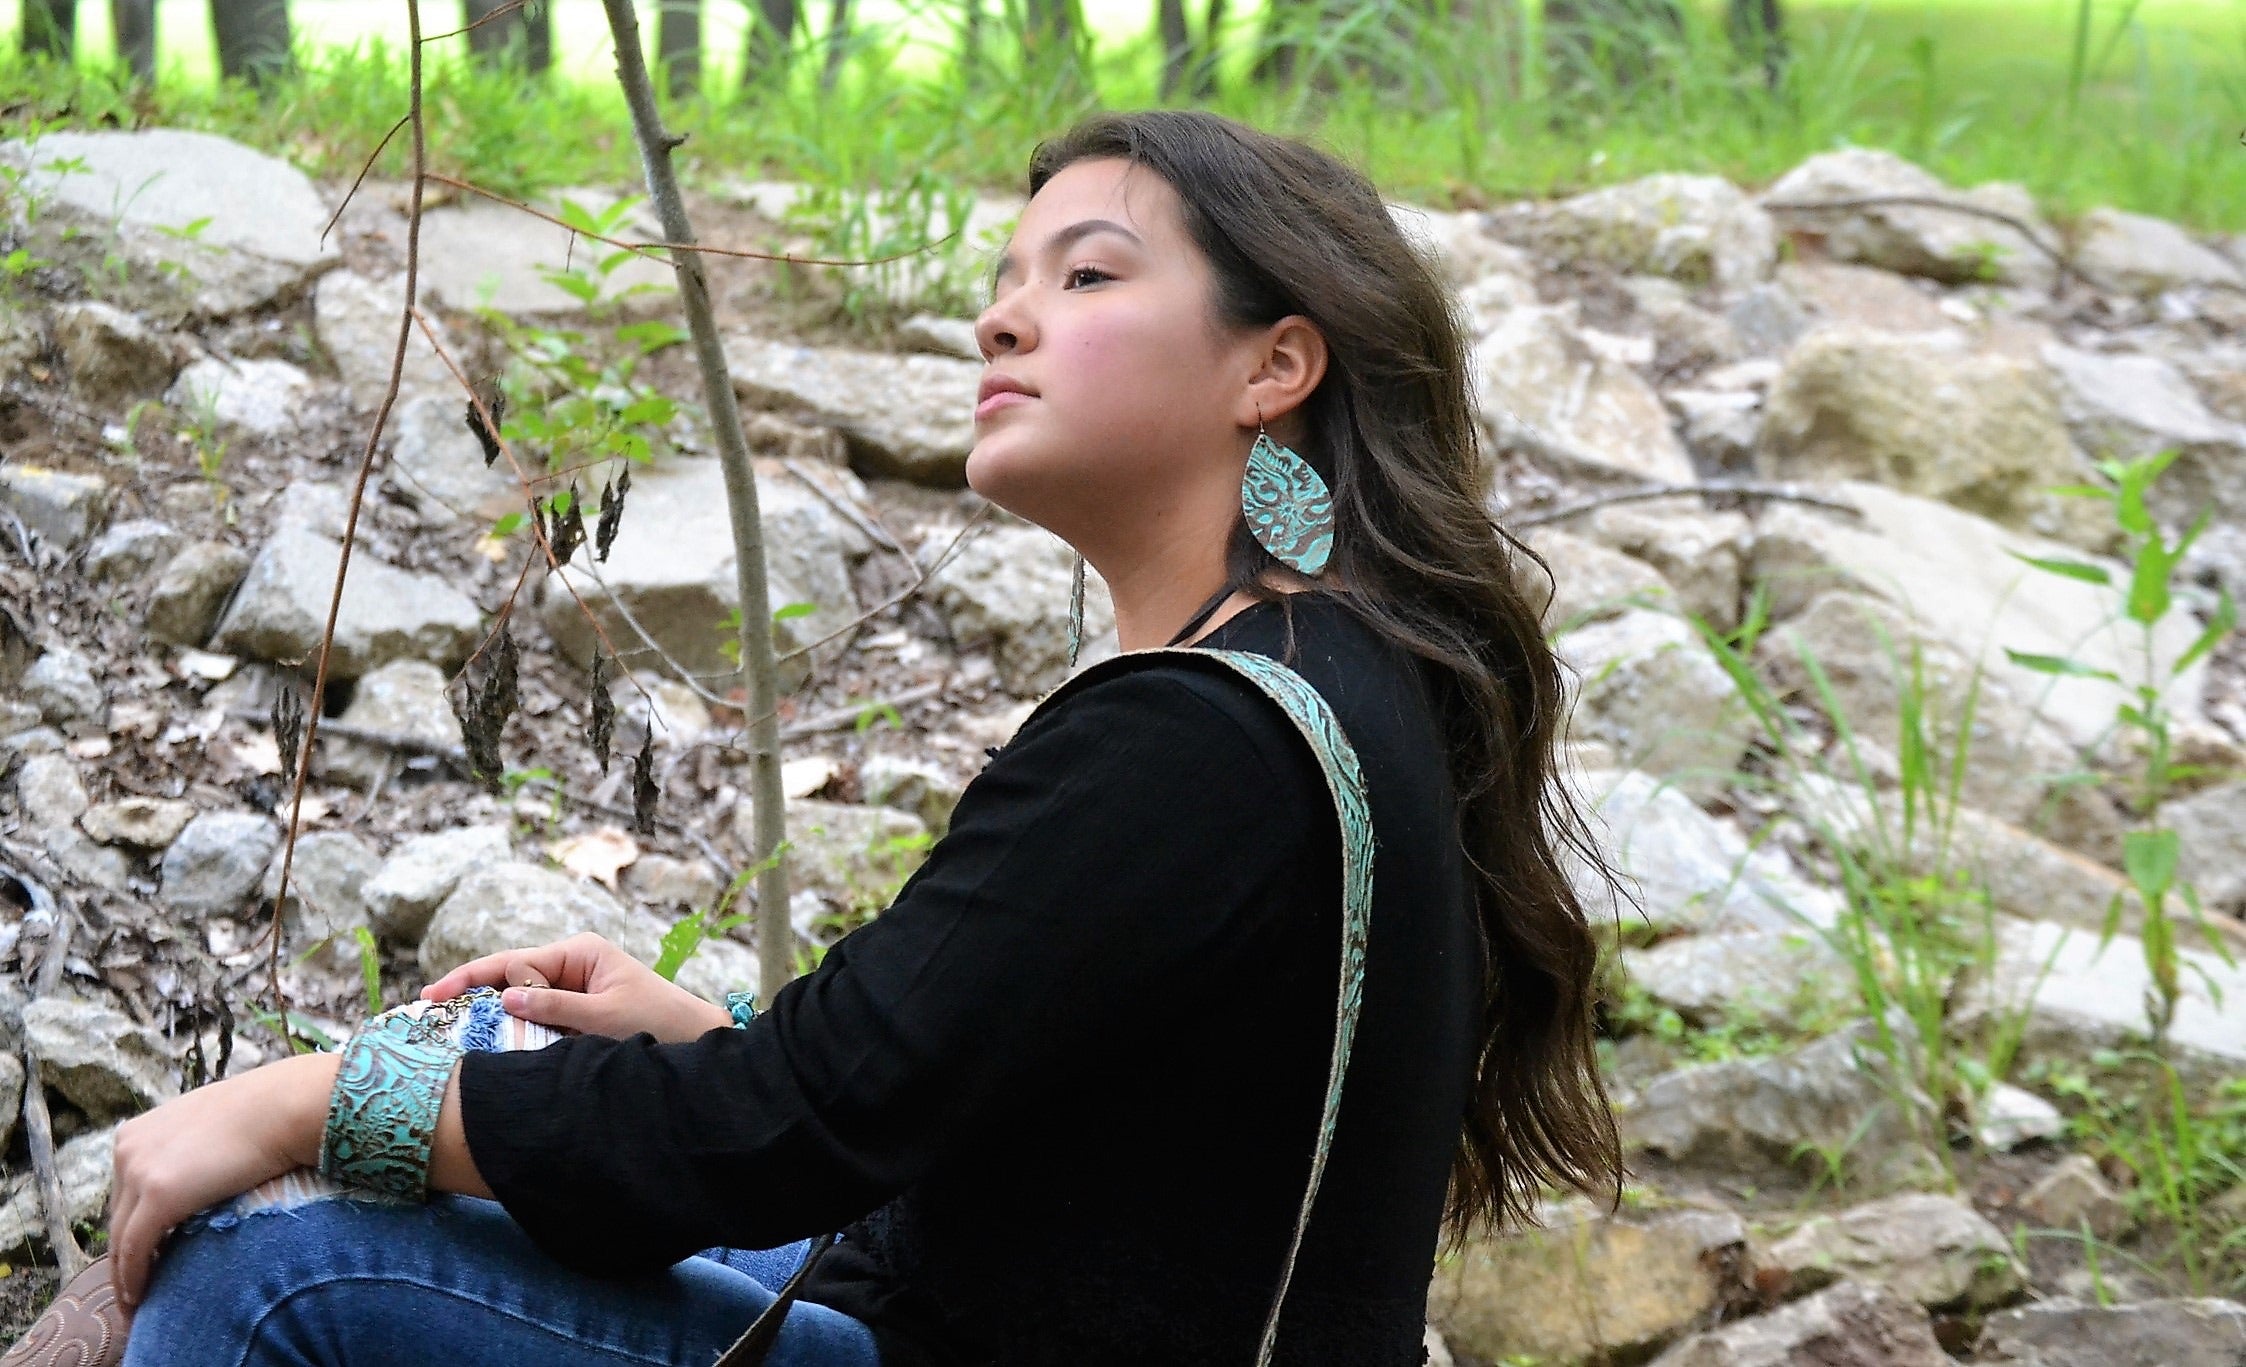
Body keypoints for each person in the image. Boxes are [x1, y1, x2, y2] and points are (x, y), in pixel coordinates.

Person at [60, 109, 1623, 1367]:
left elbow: (797, 1134)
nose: (1000, 317)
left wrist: (299, 1103)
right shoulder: (1316, 676)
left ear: (1273, 366)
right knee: (474, 1052)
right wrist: (707, 1043)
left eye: (1084, 279)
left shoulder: (1207, 740)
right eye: (1010, 278)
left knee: (276, 1270)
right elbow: (987, 1100)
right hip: (999, 1295)